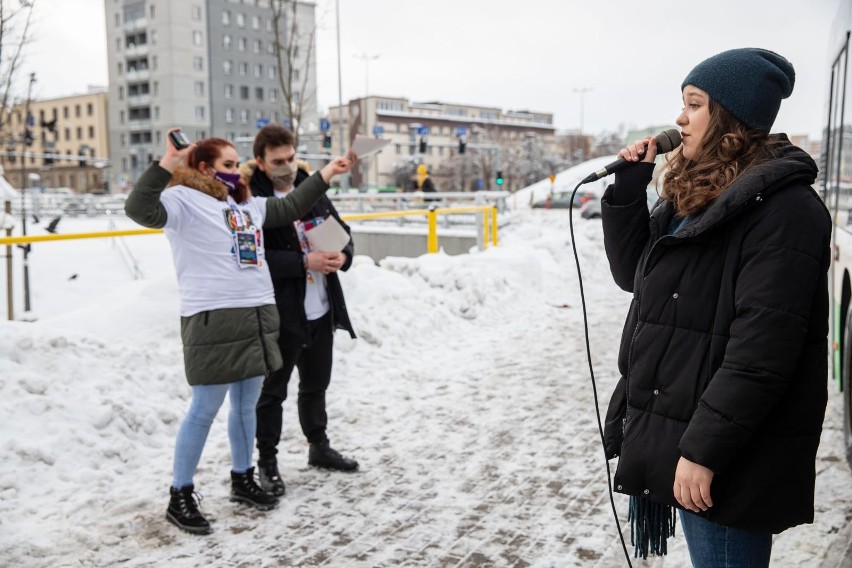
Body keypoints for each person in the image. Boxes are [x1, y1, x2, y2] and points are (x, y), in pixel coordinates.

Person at [600, 48, 831, 566]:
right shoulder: (696, 193)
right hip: (685, 426)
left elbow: (762, 349)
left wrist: (703, 450)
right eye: (682, 104)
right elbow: (634, 275)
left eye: (695, 104)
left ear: (729, 116)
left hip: (730, 451)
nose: (680, 118)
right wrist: (630, 188)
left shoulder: (783, 210)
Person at [125, 130, 353, 535]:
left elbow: (293, 206)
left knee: (247, 402)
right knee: (205, 407)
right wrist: (166, 163)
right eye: (228, 166)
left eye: (236, 165)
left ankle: (242, 476)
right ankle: (180, 494)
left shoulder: (245, 204)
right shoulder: (182, 202)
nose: (237, 172)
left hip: (257, 312)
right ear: (203, 168)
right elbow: (139, 208)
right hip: (214, 317)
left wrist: (326, 173)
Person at [240, 124, 358, 498]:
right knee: (273, 392)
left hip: (321, 305)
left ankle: (318, 445)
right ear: (260, 162)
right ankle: (267, 462)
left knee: (316, 384)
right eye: (278, 161)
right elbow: (251, 256)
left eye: (291, 158)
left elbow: (342, 229)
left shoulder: (311, 183)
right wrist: (302, 262)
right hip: (281, 311)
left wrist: (344, 254)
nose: (287, 167)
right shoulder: (248, 197)